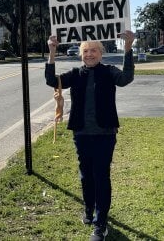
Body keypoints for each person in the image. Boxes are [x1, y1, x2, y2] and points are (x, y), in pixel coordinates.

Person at [45, 31, 135, 241]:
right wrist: (52, 51)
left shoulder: (109, 71)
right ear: (81, 54)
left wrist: (128, 47)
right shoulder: (76, 74)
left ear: (101, 53)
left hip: (105, 133)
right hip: (81, 133)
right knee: (86, 175)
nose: (90, 54)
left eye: (94, 50)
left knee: (101, 175)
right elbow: (51, 80)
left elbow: (126, 78)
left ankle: (100, 223)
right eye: (86, 51)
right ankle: (89, 209)